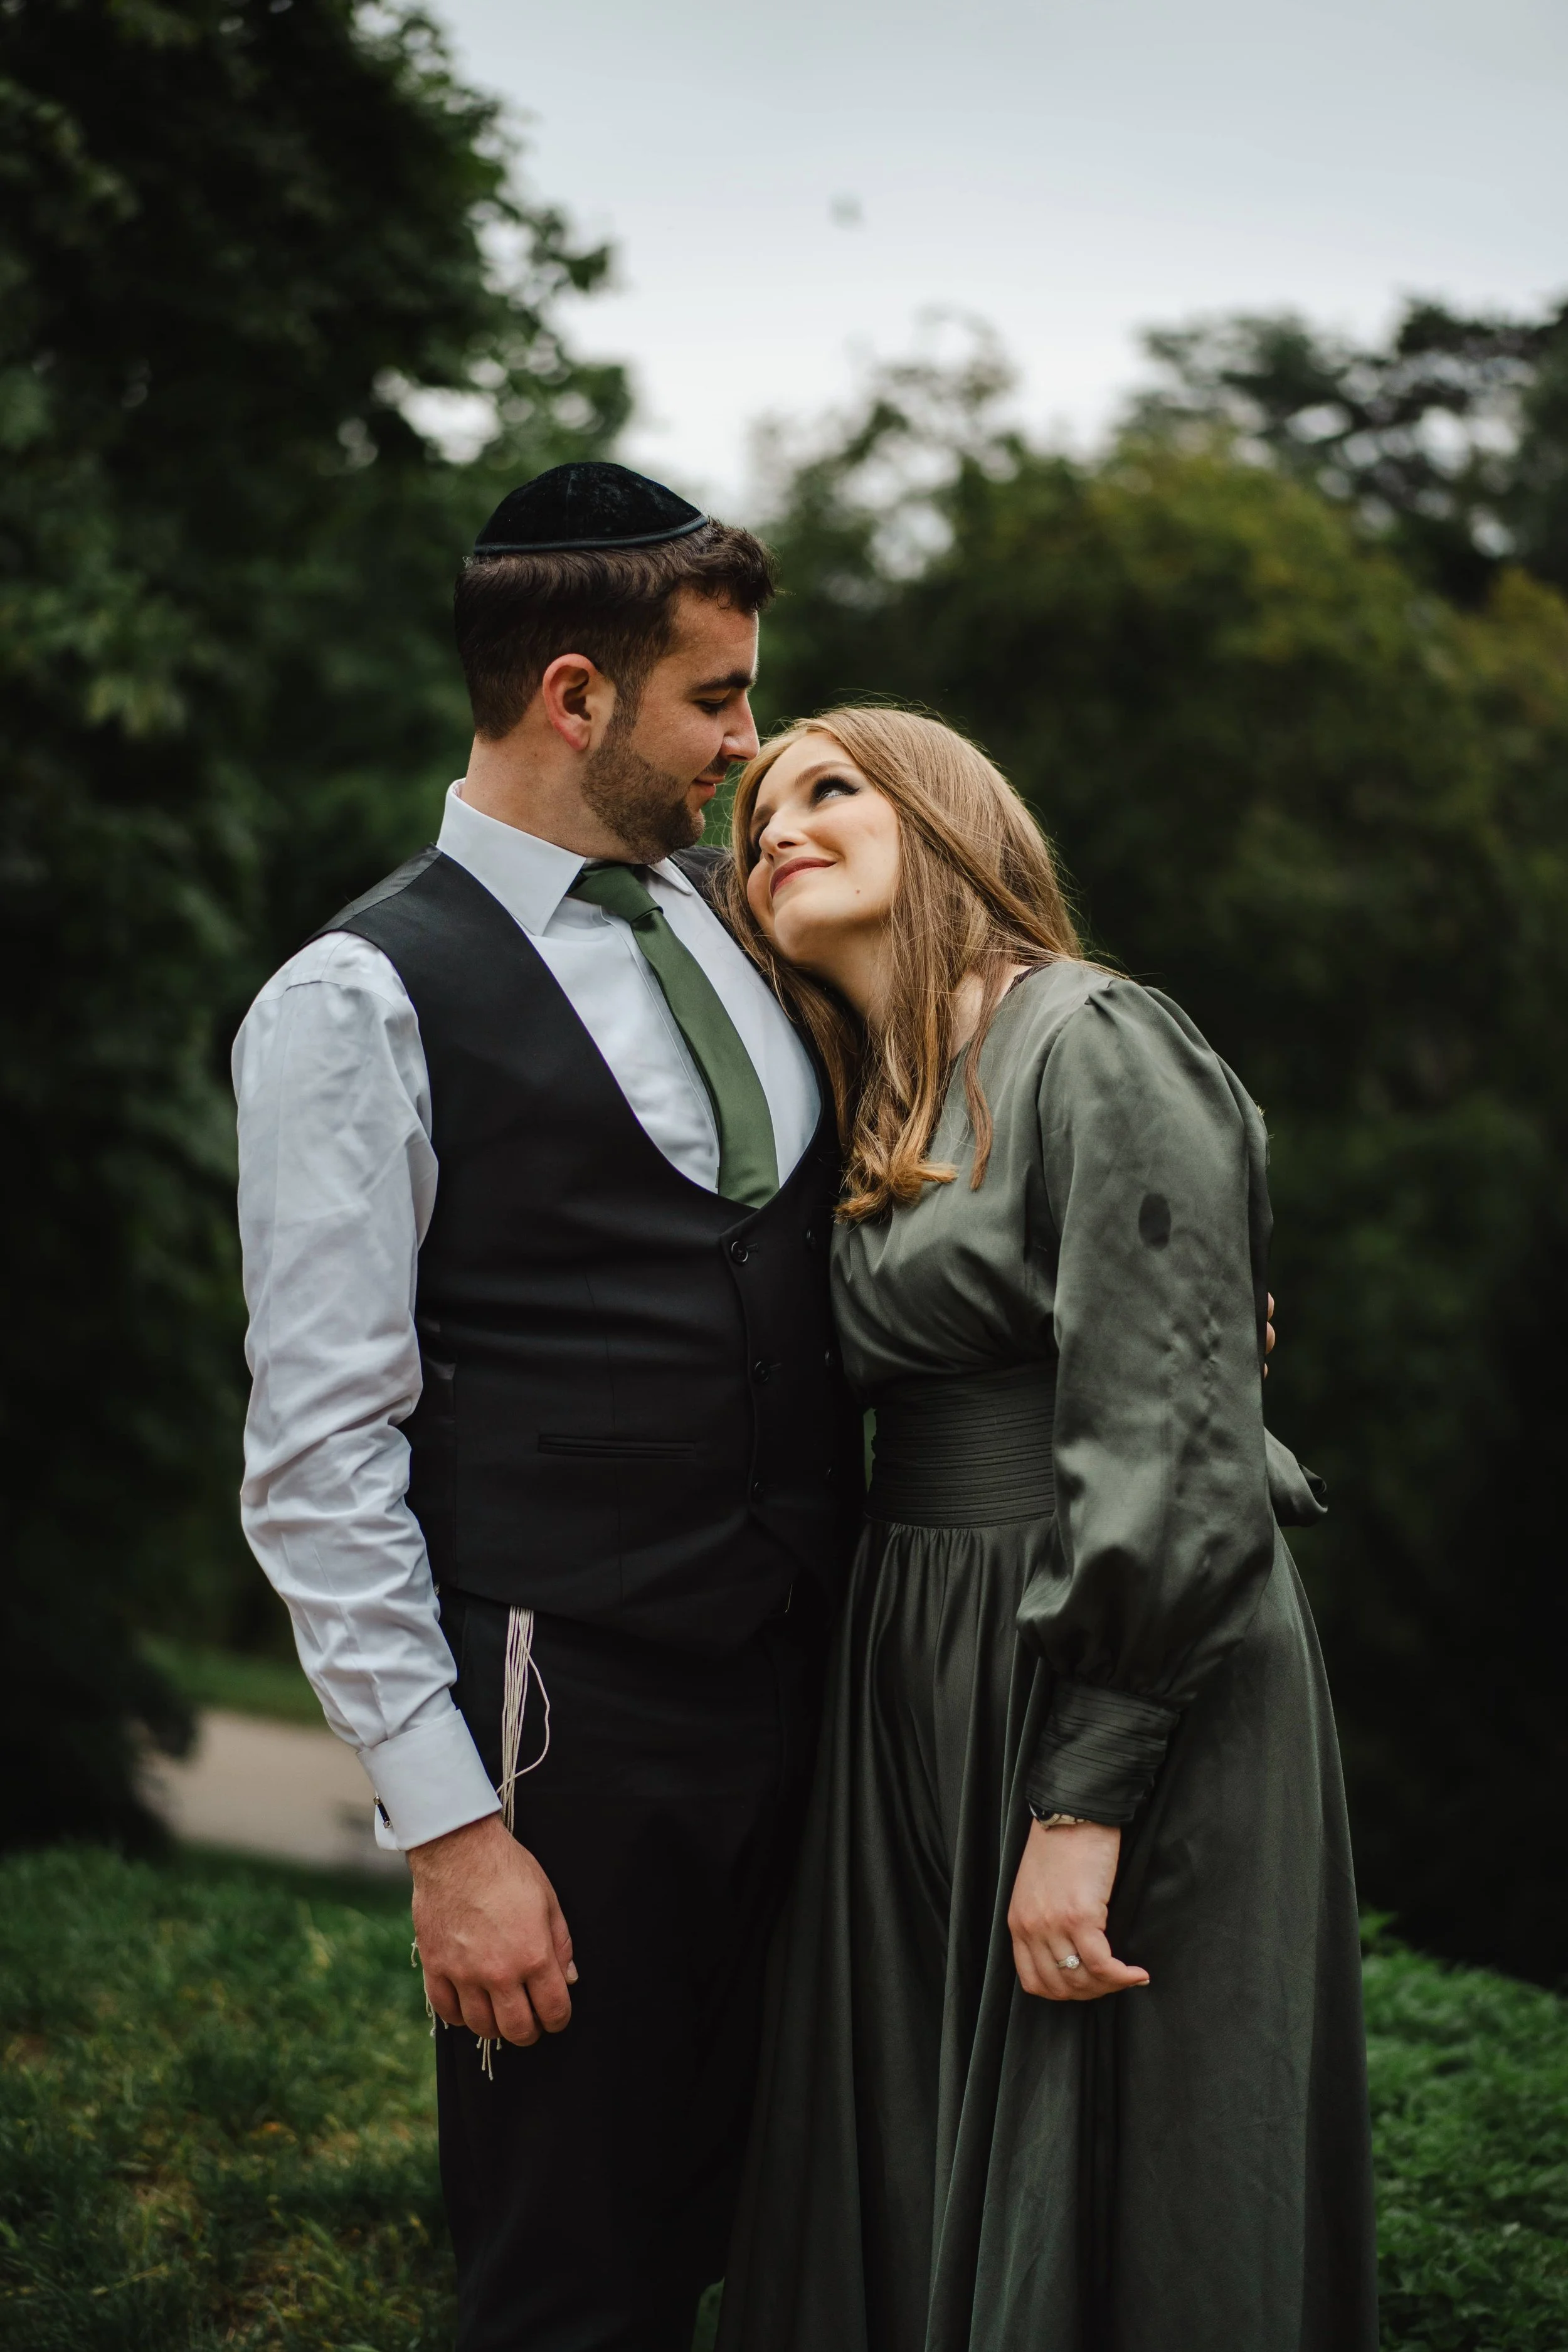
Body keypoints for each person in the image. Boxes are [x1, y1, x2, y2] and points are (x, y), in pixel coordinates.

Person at [233, 463, 861, 2352]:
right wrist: (451, 1834)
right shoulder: (358, 999)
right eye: (716, 699)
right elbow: (322, 1454)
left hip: (816, 1704)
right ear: (574, 695)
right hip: (565, 1722)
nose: (747, 748)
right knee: (570, 2279)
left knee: (792, 2233)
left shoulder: (753, 931)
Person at [713, 707, 1379, 2352]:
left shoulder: (1091, 1038)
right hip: (920, 1662)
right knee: (921, 2154)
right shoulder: (877, 1103)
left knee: (1117, 2171)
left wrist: (1082, 1799)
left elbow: (1168, 1432)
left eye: (827, 787)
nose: (774, 826)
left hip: (1112, 1662)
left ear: (940, 820)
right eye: (752, 818)